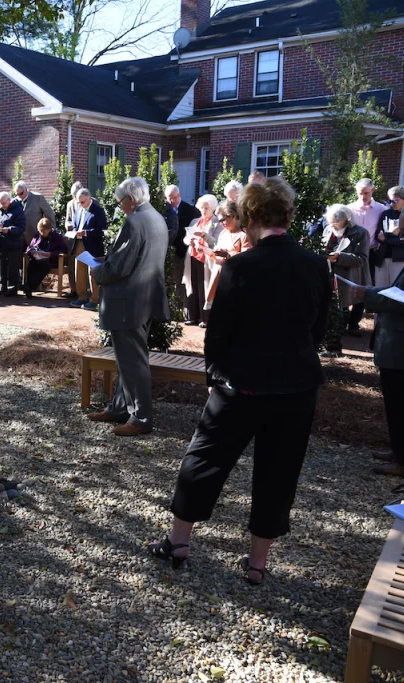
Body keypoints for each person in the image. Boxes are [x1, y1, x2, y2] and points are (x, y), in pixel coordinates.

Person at [149, 177, 331, 585]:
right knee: (279, 471)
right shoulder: (316, 264)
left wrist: (214, 375)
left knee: (204, 458)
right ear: (288, 216)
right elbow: (317, 330)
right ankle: (257, 564)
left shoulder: (240, 267)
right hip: (296, 387)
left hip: (241, 385)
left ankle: (178, 543)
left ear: (250, 218)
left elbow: (218, 333)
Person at [89, 177, 169, 436]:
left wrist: (98, 270)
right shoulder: (156, 217)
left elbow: (120, 267)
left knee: (133, 361)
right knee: (127, 358)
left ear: (130, 200)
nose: (120, 207)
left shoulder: (135, 221)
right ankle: (120, 407)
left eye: (120, 202)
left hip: (128, 302)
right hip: (145, 299)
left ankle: (140, 418)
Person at [349, 202, 404, 476]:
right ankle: (400, 448)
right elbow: (402, 291)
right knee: (396, 401)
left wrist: (369, 295)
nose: (401, 236)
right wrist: (375, 291)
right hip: (400, 345)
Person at [323, 204, 371, 337]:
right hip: (333, 273)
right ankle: (339, 327)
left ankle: (354, 325)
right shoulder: (328, 230)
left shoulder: (361, 232)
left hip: (354, 274)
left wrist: (339, 257)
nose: (332, 226)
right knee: (336, 303)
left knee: (357, 300)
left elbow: (361, 258)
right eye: (330, 222)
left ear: (346, 220)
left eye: (335, 223)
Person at [181, 194, 222, 327]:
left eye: (206, 208)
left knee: (205, 287)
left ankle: (205, 319)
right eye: (202, 208)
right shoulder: (195, 221)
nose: (203, 210)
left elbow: (217, 242)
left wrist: (204, 239)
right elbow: (185, 238)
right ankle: (192, 316)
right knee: (192, 285)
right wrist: (190, 241)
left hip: (207, 259)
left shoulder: (217, 223)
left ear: (213, 208)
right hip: (193, 257)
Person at [66, 187, 107, 311]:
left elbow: (102, 230)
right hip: (78, 243)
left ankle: (95, 299)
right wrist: (73, 231)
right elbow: (75, 226)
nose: (80, 204)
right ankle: (81, 296)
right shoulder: (79, 210)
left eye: (82, 202)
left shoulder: (98, 211)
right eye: (78, 202)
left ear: (89, 199)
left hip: (93, 245)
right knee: (79, 271)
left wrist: (86, 233)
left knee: (93, 272)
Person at [163, 185, 201, 318]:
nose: (170, 201)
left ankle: (179, 310)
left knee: (181, 282)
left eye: (173, 198)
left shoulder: (191, 211)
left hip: (183, 252)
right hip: (167, 252)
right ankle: (169, 309)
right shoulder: (163, 210)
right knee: (169, 280)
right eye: (168, 198)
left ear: (178, 196)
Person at [204, 201, 250, 308]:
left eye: (223, 220)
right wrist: (206, 250)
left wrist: (228, 255)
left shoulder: (244, 235)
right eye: (219, 221)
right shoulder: (223, 233)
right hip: (219, 276)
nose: (221, 224)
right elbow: (216, 254)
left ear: (233, 216)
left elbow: (246, 257)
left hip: (235, 278)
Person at [373, 186, 404, 288]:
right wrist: (390, 235)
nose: (391, 204)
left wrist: (386, 238)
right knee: (380, 290)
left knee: (397, 289)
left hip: (401, 258)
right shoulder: (386, 214)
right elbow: (378, 235)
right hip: (382, 258)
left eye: (395, 200)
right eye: (389, 201)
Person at [0, 192, 27, 297]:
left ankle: (12, 288)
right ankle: (3, 287)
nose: (2, 205)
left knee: (13, 267)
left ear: (9, 200)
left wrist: (9, 230)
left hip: (14, 243)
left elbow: (22, 227)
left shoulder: (18, 211)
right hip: (2, 243)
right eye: (0, 203)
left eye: (4, 202)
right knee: (2, 267)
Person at [23, 218, 67, 298]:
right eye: (41, 231)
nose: (42, 234)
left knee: (43, 266)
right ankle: (28, 288)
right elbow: (30, 247)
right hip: (38, 258)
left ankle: (28, 287)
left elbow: (63, 249)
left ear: (49, 229)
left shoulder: (57, 236)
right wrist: (32, 251)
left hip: (51, 260)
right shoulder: (37, 235)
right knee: (32, 264)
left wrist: (51, 254)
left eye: (44, 232)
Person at [14, 181, 55, 245]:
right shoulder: (15, 201)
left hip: (36, 236)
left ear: (26, 190)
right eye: (17, 194)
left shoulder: (38, 197)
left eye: (21, 193)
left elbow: (49, 214)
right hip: (20, 238)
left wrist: (50, 232)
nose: (19, 196)